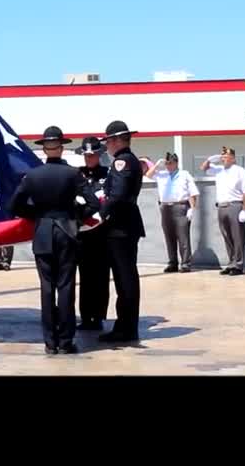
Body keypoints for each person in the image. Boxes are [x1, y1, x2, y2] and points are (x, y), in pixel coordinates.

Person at [8, 126, 99, 354]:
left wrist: (37, 216)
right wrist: (76, 217)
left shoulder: (33, 175)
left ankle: (50, 343)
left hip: (42, 233)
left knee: (47, 288)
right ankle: (66, 341)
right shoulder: (72, 174)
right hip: (67, 232)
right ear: (61, 147)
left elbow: (14, 206)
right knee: (66, 286)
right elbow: (94, 204)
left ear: (45, 149)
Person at [97, 121, 145, 343]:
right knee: (124, 278)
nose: (106, 145)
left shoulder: (123, 161)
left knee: (125, 279)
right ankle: (125, 325)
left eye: (108, 141)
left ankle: (126, 328)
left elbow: (117, 195)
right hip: (122, 226)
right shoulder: (125, 160)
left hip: (121, 227)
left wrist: (99, 214)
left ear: (116, 140)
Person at [74, 136, 110, 330]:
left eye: (93, 155)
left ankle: (99, 316)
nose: (90, 158)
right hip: (83, 231)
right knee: (85, 275)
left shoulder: (107, 174)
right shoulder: (77, 175)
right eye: (87, 155)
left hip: (102, 232)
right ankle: (86, 316)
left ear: (99, 155)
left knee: (101, 276)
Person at [201, 147, 245, 275]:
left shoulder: (240, 171)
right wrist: (209, 160)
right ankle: (231, 263)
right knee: (227, 236)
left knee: (237, 237)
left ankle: (239, 265)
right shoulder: (219, 170)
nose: (223, 158)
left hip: (235, 205)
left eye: (226, 156)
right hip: (221, 206)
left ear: (233, 158)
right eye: (222, 156)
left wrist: (244, 210)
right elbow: (203, 168)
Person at [146, 152, 199, 273]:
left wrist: (192, 208)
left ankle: (185, 263)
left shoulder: (184, 174)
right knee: (169, 236)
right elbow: (148, 175)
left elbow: (192, 192)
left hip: (180, 206)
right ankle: (172, 262)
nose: (168, 166)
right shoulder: (162, 174)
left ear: (176, 163)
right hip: (165, 208)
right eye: (167, 163)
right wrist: (157, 165)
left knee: (183, 237)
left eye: (170, 163)